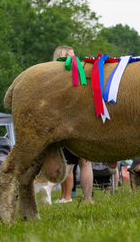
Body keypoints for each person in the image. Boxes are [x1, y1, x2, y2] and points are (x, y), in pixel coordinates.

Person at [39, 45, 94, 205]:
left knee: (67, 163)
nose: (75, 58)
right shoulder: (76, 73)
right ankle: (87, 199)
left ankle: (49, 189)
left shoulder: (51, 77)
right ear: (64, 57)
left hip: (60, 123)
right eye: (72, 55)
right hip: (79, 121)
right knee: (84, 162)